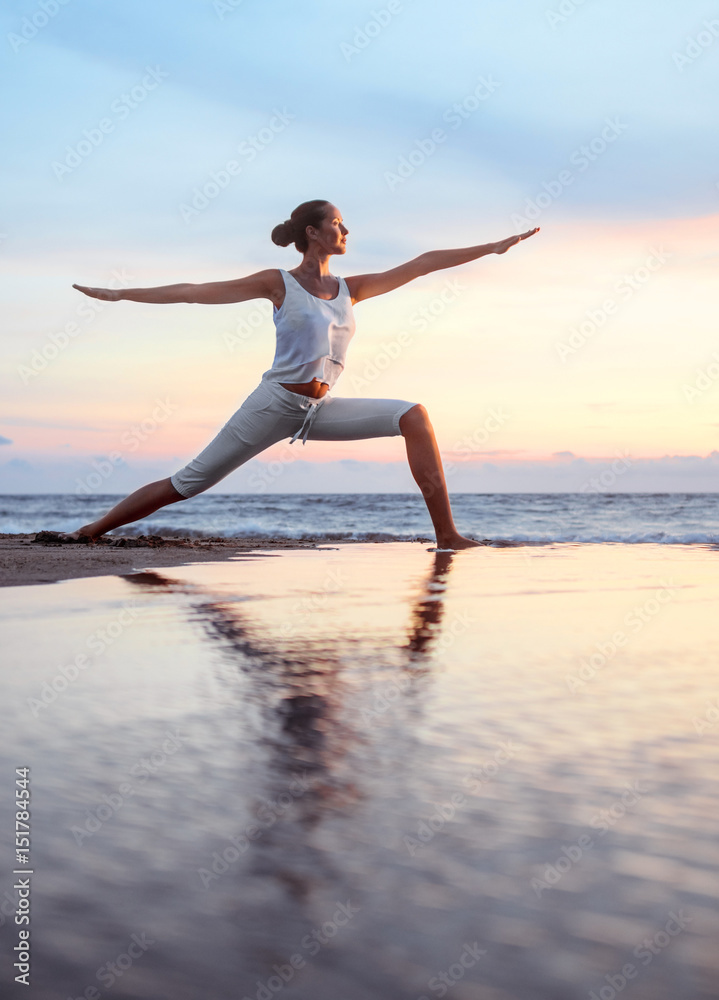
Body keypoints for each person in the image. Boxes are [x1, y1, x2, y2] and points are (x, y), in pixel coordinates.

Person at [46, 200, 538, 551]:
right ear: (313, 233)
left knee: (414, 416)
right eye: (339, 224)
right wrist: (120, 295)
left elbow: (423, 263)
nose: (346, 232)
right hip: (273, 404)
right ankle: (92, 529)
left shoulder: (352, 287)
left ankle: (447, 535)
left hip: (318, 410)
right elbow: (195, 290)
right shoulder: (277, 283)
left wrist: (493, 247)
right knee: (187, 483)